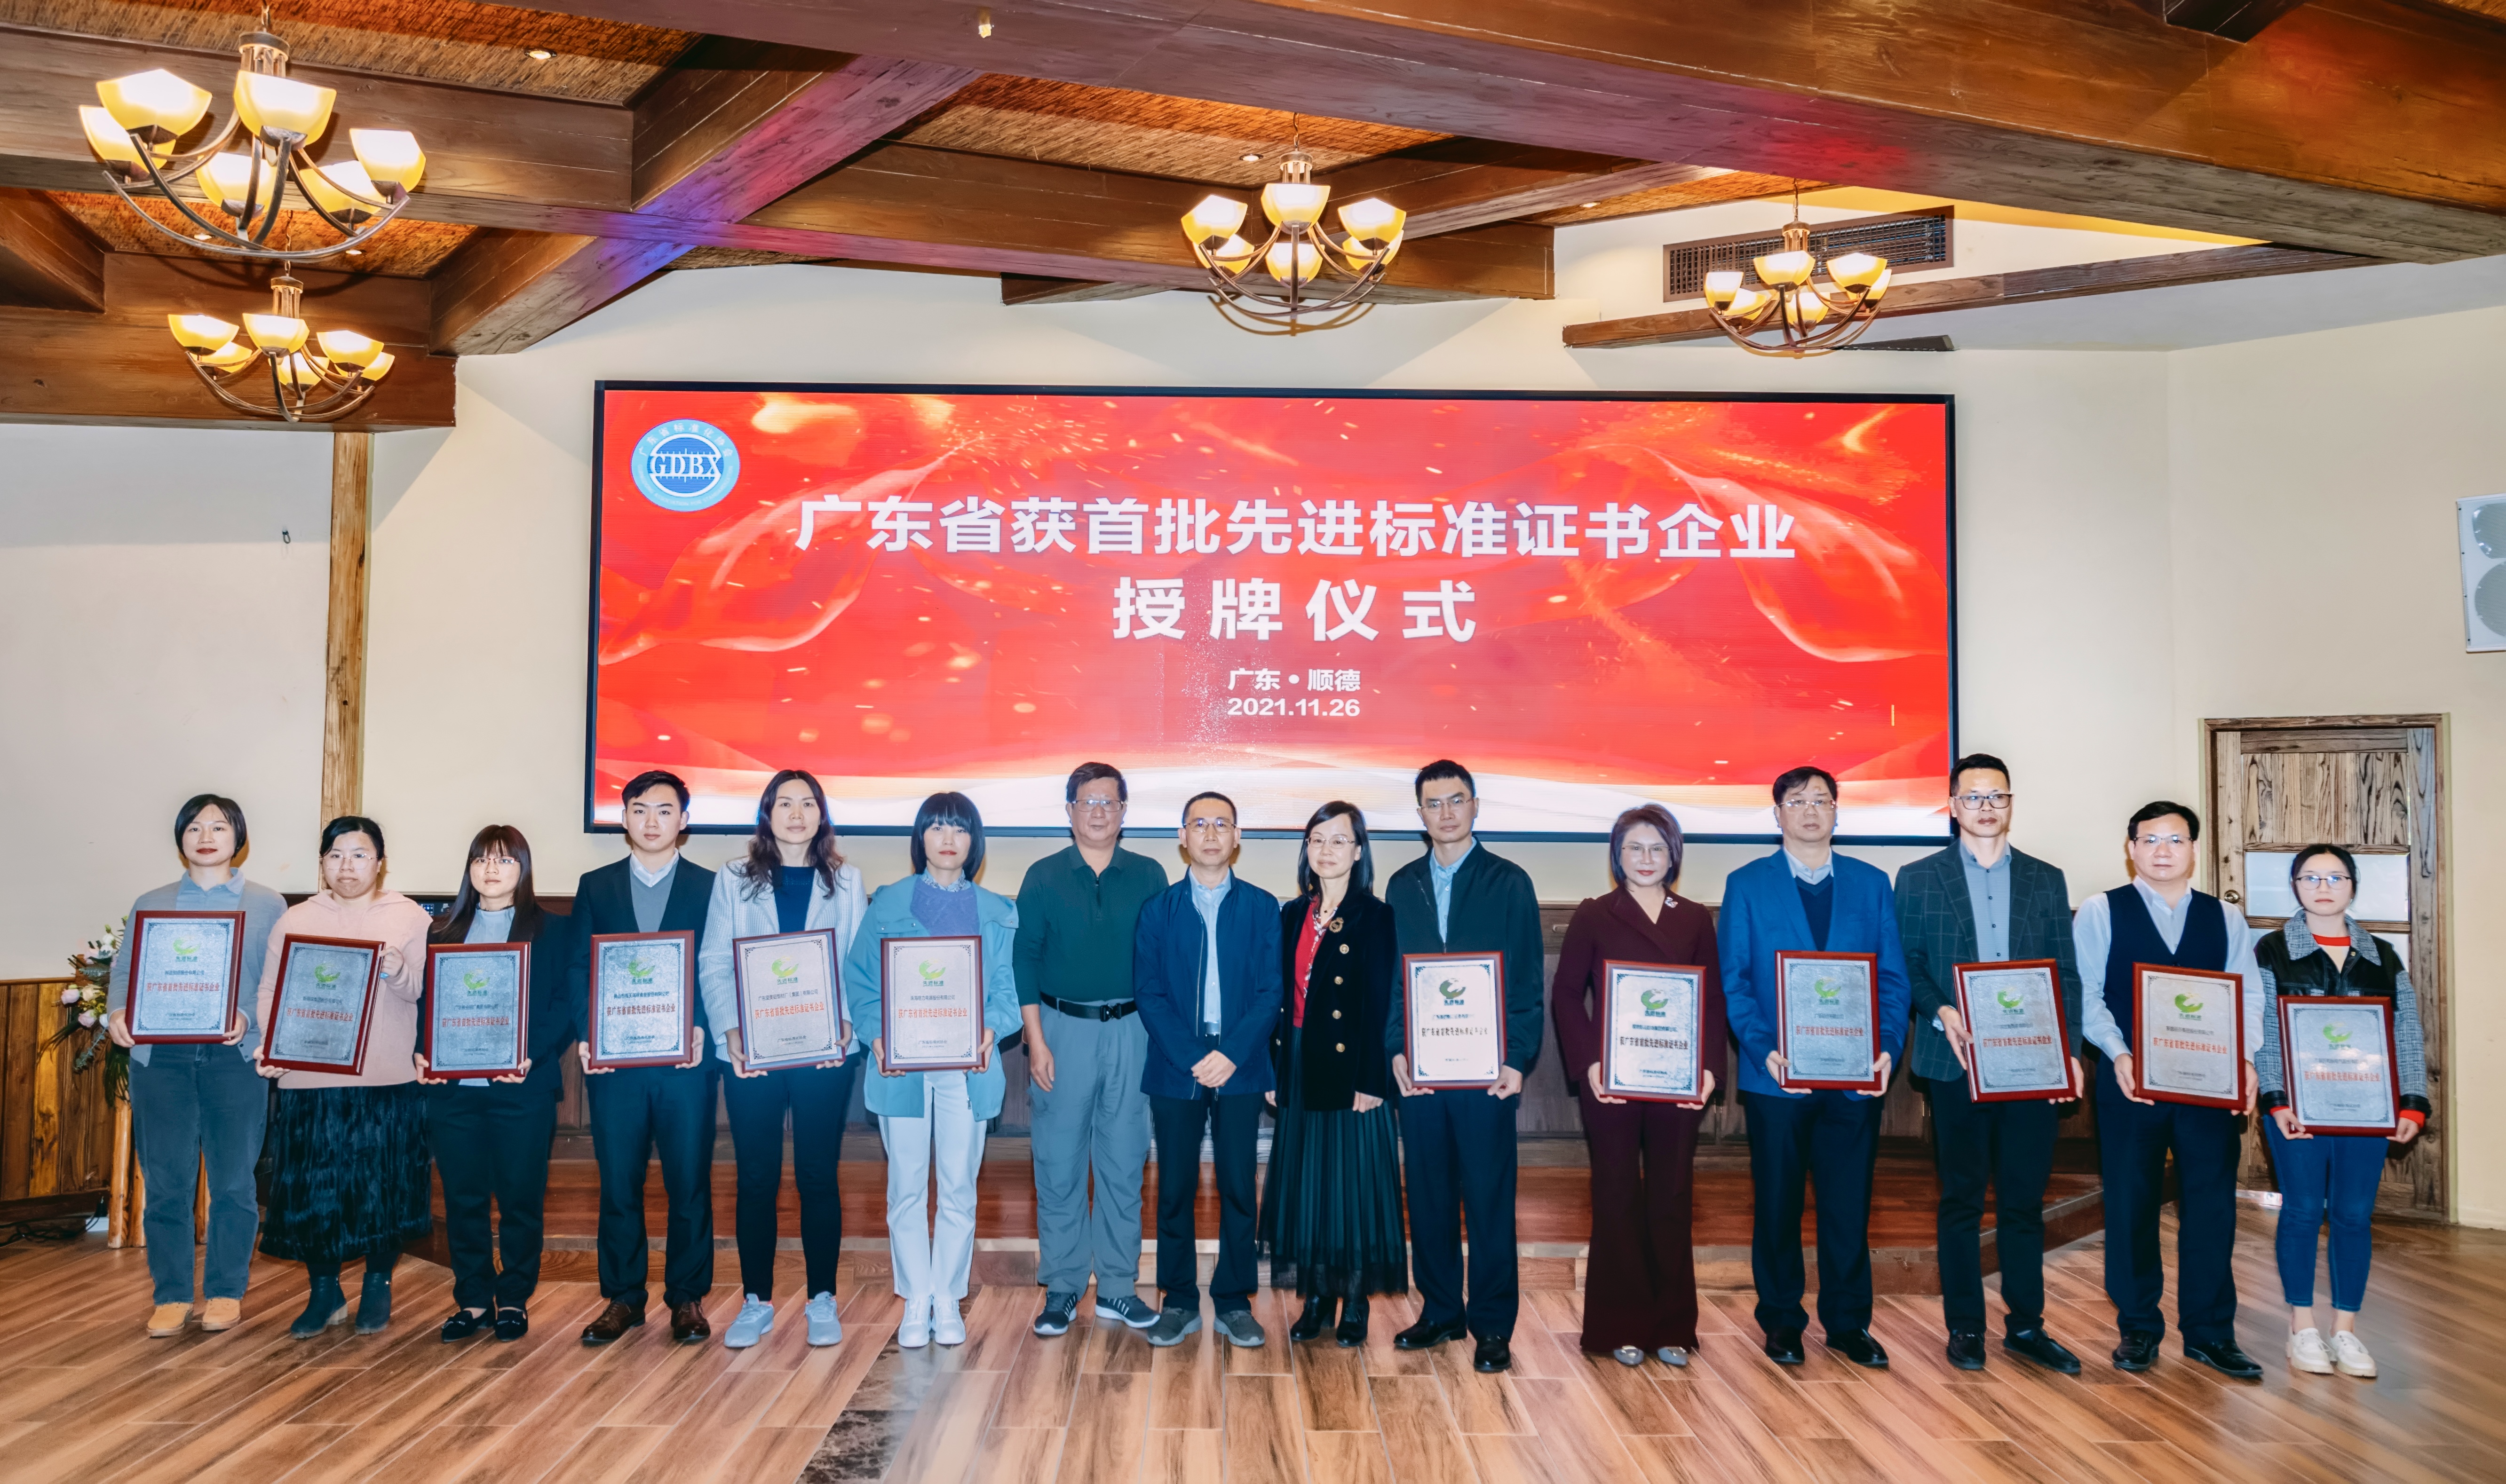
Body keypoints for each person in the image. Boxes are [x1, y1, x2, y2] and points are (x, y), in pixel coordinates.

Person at [1892, 755, 2086, 1374]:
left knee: (2024, 1202)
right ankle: (1966, 1328)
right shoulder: (1918, 878)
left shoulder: (2045, 879)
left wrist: (2070, 1052)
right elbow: (1908, 963)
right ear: (1953, 806)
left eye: (1996, 796)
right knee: (1962, 1200)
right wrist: (1940, 1009)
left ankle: (2027, 1326)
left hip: (2031, 1064)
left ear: (2010, 804)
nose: (1985, 807)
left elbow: (2066, 973)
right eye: (1972, 797)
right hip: (1957, 1061)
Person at [1719, 765, 1910, 1370]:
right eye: (1797, 801)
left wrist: (1888, 1047)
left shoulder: (1872, 884)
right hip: (1777, 1076)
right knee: (1778, 1206)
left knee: (1848, 1207)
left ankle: (1849, 1325)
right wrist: (1762, 1050)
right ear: (1777, 814)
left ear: (1837, 812)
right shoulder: (1746, 885)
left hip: (1855, 1078)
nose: (1810, 811)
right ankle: (1782, 1321)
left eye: (1821, 801)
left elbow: (1892, 979)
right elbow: (1735, 983)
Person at [2075, 800, 2266, 1379]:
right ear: (2131, 848)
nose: (2163, 851)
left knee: (2212, 1206)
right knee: (2130, 1204)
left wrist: (2245, 1058)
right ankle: (2138, 1327)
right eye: (2151, 840)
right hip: (2131, 1083)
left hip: (2209, 1086)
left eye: (2176, 840)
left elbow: (2248, 995)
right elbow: (2087, 995)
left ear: (2193, 850)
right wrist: (2119, 1053)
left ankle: (2211, 1333)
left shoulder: (2225, 918)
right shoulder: (2101, 910)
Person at [842, 792, 1021, 1350]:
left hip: (968, 1068)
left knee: (959, 1185)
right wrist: (877, 1035)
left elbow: (1008, 990)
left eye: (960, 829)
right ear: (920, 837)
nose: (948, 839)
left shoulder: (998, 911)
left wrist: (992, 1027)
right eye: (937, 827)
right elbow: (860, 980)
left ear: (974, 841)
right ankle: (915, 1298)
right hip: (904, 1070)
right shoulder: (888, 903)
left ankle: (948, 1296)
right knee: (906, 1186)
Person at [105, 794, 287, 1339]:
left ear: (239, 838)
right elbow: (125, 972)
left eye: (220, 827)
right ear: (181, 838)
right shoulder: (152, 902)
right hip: (161, 1058)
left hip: (235, 1058)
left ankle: (226, 1291)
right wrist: (118, 1014)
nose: (206, 838)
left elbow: (276, 981)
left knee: (233, 1182)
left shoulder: (268, 903)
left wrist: (246, 1018)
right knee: (166, 1182)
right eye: (195, 828)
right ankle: (172, 1295)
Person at [1385, 760, 1545, 1374]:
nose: (1446, 813)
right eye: (1434, 803)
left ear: (1476, 806)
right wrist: (1397, 1049)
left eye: (1456, 800)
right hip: (1422, 1072)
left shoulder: (1509, 881)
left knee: (1488, 1197)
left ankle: (1493, 1324)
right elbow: (1394, 982)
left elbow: (1526, 981)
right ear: (1420, 814)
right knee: (1427, 1195)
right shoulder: (1402, 885)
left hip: (1487, 1074)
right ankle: (1441, 1311)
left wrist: (1516, 1058)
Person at [698, 770, 867, 1350]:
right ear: (767, 815)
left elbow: (859, 964)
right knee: (756, 1177)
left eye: (808, 803)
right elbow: (714, 962)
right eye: (785, 804)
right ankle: (757, 1300)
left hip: (825, 1052)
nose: (797, 814)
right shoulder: (733, 879)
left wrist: (849, 1026)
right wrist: (731, 1030)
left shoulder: (847, 881)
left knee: (818, 1174)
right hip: (753, 1052)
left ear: (822, 814)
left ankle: (822, 1298)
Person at [1551, 804, 1723, 1369]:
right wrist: (1589, 1065)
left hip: (1677, 1080)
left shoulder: (1694, 917)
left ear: (1674, 855)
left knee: (1672, 1198)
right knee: (1617, 1195)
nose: (1646, 859)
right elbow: (1566, 994)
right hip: (1614, 1082)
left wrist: (1709, 1068)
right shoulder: (1595, 915)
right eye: (1634, 848)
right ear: (1616, 856)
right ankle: (1619, 1325)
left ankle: (1673, 1327)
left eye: (1657, 848)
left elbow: (1712, 999)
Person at [252, 815, 435, 1338]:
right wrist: (274, 1043)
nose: (347, 866)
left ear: (380, 863)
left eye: (359, 855)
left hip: (386, 1076)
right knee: (316, 1191)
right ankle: (324, 1292)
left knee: (383, 1188)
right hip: (310, 1076)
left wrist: (398, 971)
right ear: (322, 864)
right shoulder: (296, 918)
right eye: (335, 856)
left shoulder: (409, 917)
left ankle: (378, 1284)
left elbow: (423, 992)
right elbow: (270, 990)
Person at [2254, 844, 2430, 1379]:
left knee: (2354, 1215)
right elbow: (2264, 1030)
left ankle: (2346, 1330)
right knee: (2303, 1210)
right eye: (2311, 877)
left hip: (2368, 1110)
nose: (2323, 887)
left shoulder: (2383, 956)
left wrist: (2412, 1102)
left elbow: (2406, 1031)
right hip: (2298, 1110)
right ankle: (2302, 1327)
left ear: (2353, 886)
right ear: (2295, 886)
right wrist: (2276, 1099)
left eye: (2336, 877)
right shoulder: (2271, 950)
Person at [1015, 762, 1170, 1339]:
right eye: (1088, 802)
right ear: (1070, 811)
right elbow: (1025, 960)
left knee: (1124, 1163)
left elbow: (1163, 960)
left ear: (1124, 812)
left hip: (1133, 1030)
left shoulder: (1149, 874)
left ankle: (1119, 1287)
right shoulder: (1044, 876)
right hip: (1061, 1031)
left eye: (1109, 802)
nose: (1099, 812)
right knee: (1058, 1164)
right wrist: (1035, 1041)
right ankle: (1062, 1286)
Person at [573, 771, 720, 1347]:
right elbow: (581, 968)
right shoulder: (596, 886)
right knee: (618, 1183)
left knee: (689, 1183)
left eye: (664, 810)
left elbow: (717, 967)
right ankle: (623, 1298)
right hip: (617, 1066)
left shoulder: (711, 886)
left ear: (684, 820)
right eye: (639, 810)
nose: (652, 821)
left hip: (687, 1063)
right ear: (624, 818)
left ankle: (687, 1298)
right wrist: (589, 1033)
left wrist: (704, 1027)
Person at [1134, 790, 1282, 1351]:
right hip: (1178, 1063)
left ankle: (1235, 1300)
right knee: (1174, 1186)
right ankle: (1177, 1300)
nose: (1212, 833)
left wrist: (1233, 1053)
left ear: (1238, 838)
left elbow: (1271, 991)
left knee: (1239, 1185)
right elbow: (1149, 992)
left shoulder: (1263, 907)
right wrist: (1194, 1056)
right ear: (1183, 837)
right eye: (1200, 824)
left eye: (1223, 824)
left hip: (1241, 1061)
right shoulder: (1158, 910)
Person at [418, 825, 576, 1343]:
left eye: (505, 860)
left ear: (523, 870)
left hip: (521, 1088)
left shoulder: (553, 931)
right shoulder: (441, 933)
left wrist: (530, 1054)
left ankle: (512, 1299)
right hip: (454, 1091)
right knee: (462, 1199)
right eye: (482, 859)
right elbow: (426, 1003)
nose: (491, 869)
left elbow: (564, 1004)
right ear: (469, 869)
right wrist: (421, 1048)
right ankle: (472, 1300)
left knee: (519, 1200)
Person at [1259, 801, 1406, 1348]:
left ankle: (1355, 1301)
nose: (1327, 850)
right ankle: (1318, 1295)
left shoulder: (1377, 916)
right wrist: (1274, 1066)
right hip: (1299, 1059)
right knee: (1309, 1184)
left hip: (1352, 1068)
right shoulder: (1293, 913)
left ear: (1359, 851)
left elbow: (1381, 1005)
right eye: (1318, 839)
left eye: (1339, 840)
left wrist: (1372, 1080)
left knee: (1352, 1187)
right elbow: (1276, 999)